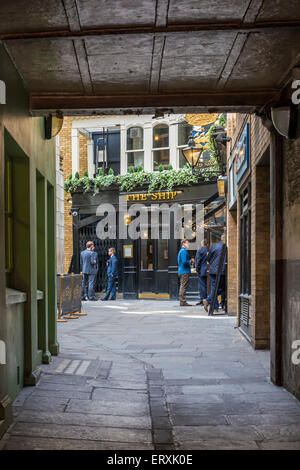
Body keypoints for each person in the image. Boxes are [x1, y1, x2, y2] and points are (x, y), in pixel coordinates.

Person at [203, 234, 227, 313]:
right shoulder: (225, 247)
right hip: (221, 270)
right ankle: (208, 300)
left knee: (214, 288)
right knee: (222, 288)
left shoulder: (214, 246)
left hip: (212, 270)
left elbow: (208, 258)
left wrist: (212, 265)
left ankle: (214, 307)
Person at [177, 239, 194, 307]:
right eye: (187, 243)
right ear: (183, 244)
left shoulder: (181, 251)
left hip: (181, 271)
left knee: (182, 286)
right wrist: (190, 261)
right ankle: (183, 302)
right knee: (183, 286)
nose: (188, 244)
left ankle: (182, 301)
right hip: (184, 271)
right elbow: (184, 262)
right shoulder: (184, 251)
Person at [195, 239, 208, 306]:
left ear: (202, 244)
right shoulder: (209, 250)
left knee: (202, 286)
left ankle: (203, 300)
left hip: (201, 271)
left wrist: (197, 270)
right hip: (209, 270)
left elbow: (198, 261)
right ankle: (207, 299)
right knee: (208, 286)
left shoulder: (200, 250)